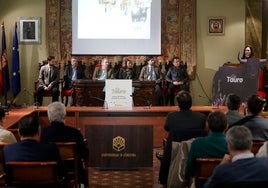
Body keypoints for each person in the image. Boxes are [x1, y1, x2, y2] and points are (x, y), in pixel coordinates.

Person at [158, 91, 207, 186]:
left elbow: (167, 128)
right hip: (196, 155)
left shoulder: (171, 117)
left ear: (178, 104)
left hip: (174, 155)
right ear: (191, 103)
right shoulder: (201, 118)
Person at [3, 115, 67, 186]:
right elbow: (62, 172)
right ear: (39, 132)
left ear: (19, 133)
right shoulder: (51, 149)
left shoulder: (7, 150)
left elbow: (6, 174)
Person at [40, 101, 89, 186]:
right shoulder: (75, 133)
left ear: (49, 117)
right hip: (72, 173)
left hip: (49, 173)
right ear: (64, 116)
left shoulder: (41, 133)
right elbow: (85, 154)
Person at [203, 126, 268, 188]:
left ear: (229, 145)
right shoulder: (266, 164)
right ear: (251, 145)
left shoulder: (222, 171)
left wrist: (220, 166)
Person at [185, 110, 228, 188]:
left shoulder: (197, 143)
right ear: (226, 126)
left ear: (207, 125)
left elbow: (189, 170)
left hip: (201, 184)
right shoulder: (231, 145)